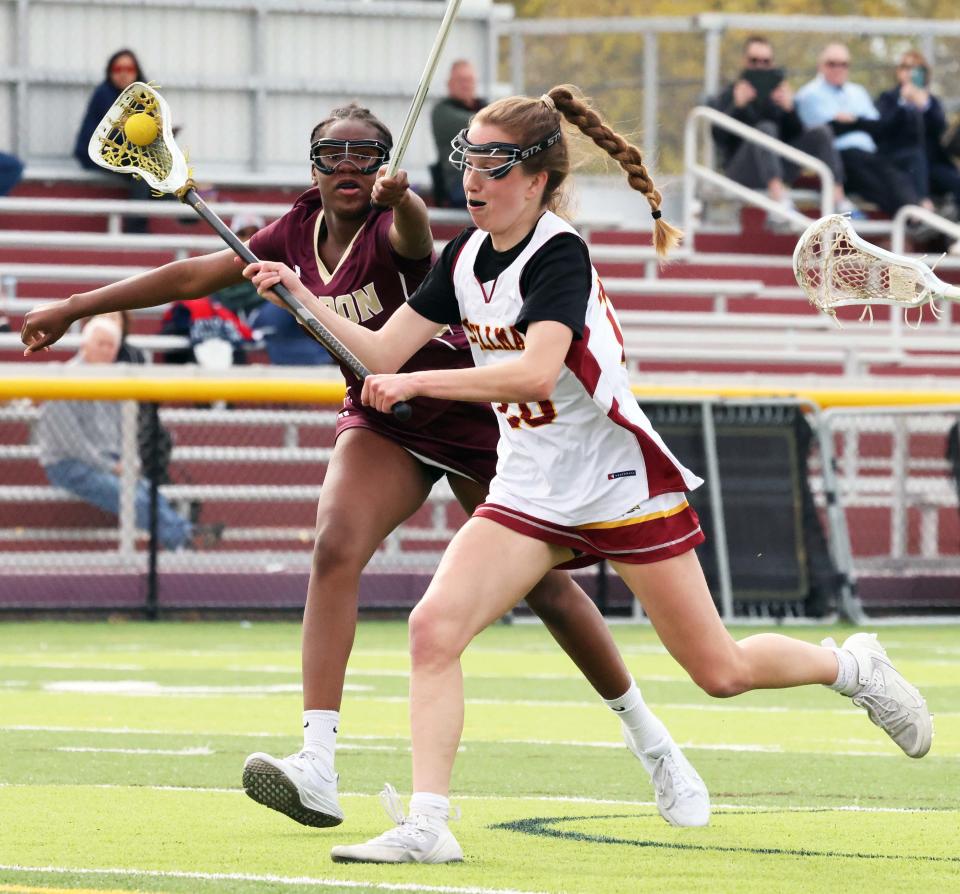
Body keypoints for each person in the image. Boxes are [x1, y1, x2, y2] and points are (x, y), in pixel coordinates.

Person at [243, 84, 933, 865]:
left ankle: (851, 666)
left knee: (721, 671)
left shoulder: (559, 252)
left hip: (614, 483)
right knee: (433, 631)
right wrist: (302, 295)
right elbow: (376, 355)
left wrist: (421, 384)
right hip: (530, 488)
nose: (472, 176)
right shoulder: (465, 258)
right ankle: (428, 825)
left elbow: (536, 373)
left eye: (494, 163)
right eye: (467, 157)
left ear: (537, 179)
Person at [21, 103, 710, 831]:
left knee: (551, 595)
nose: (348, 166)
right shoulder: (292, 231)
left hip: (473, 418)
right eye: (331, 153)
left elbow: (415, 228)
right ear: (311, 166)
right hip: (383, 414)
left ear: (386, 164)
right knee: (334, 546)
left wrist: (405, 197)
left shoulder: (397, 223)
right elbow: (194, 271)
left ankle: (653, 742)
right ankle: (317, 763)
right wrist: (74, 305)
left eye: (365, 154)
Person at [34, 316, 197, 551]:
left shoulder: (113, 381)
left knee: (151, 494)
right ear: (84, 345)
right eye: (101, 344)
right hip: (68, 464)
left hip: (108, 461)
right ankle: (184, 539)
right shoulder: (64, 379)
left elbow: (124, 432)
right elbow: (71, 444)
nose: (107, 351)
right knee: (131, 496)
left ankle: (185, 538)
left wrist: (128, 461)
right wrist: (113, 467)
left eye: (112, 346)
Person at [708, 35, 854, 221]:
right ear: (744, 62)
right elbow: (718, 139)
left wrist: (789, 109)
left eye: (766, 61)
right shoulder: (729, 94)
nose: (760, 66)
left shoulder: (777, 95)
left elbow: (794, 136)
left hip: (777, 167)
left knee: (821, 132)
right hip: (742, 171)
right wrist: (738, 107)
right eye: (754, 61)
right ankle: (779, 201)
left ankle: (839, 200)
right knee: (766, 128)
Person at [796, 43, 919, 217]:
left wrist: (852, 122)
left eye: (844, 64)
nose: (838, 69)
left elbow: (876, 126)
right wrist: (856, 122)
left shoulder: (858, 92)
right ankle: (909, 220)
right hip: (840, 159)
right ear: (820, 66)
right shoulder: (808, 94)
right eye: (832, 63)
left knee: (899, 171)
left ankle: (917, 217)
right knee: (872, 180)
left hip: (869, 154)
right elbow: (827, 131)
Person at [73, 49, 151, 232]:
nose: (124, 73)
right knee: (142, 169)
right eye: (118, 68)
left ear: (136, 71)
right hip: (97, 151)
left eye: (129, 68)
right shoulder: (105, 93)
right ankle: (136, 227)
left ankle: (183, 216)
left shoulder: (144, 93)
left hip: (130, 152)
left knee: (151, 168)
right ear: (110, 71)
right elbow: (115, 134)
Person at [877, 50, 960, 218]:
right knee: (915, 157)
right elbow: (882, 128)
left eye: (917, 69)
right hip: (901, 163)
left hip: (932, 166)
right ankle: (922, 211)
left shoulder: (931, 102)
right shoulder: (888, 99)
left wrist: (924, 105)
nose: (911, 73)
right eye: (906, 67)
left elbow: (941, 131)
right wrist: (903, 104)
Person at [431, 60, 485, 208]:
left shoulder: (485, 107)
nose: (466, 84)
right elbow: (482, 126)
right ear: (449, 84)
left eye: (470, 80)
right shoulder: (442, 113)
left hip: (487, 176)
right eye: (461, 80)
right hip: (458, 182)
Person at [211, 214, 269, 322]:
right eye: (242, 233)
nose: (249, 238)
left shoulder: (271, 259)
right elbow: (224, 297)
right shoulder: (220, 261)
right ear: (233, 236)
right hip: (226, 320)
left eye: (254, 233)